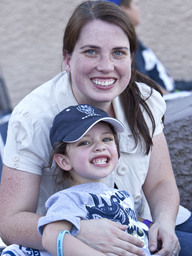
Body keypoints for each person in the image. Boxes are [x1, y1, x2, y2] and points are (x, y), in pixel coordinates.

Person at [0, 1, 184, 255]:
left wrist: (165, 222)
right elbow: (10, 222)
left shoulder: (145, 99)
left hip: (143, 225)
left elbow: (160, 182)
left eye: (118, 53)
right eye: (91, 52)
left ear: (131, 58)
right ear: (67, 58)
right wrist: (75, 231)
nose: (106, 66)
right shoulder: (34, 117)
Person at [2, 104, 154, 256]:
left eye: (107, 139)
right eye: (85, 142)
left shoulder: (121, 195)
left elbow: (131, 227)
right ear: (64, 161)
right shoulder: (70, 198)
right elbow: (51, 236)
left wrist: (150, 226)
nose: (100, 146)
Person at [105, 0, 192, 94]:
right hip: (165, 99)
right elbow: (140, 81)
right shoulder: (126, 43)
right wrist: (170, 96)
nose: (139, 10)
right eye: (136, 4)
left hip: (172, 90)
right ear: (124, 9)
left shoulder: (134, 40)